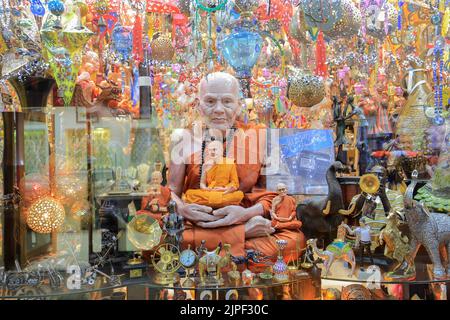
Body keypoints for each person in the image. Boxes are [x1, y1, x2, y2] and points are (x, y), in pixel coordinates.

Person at [168, 72, 305, 264]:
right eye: (210, 101)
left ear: (239, 105)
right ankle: (238, 237)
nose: (218, 109)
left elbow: (279, 193)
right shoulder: (182, 138)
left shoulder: (261, 136)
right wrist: (182, 209)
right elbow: (171, 192)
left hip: (242, 217)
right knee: (155, 236)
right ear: (198, 105)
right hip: (198, 221)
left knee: (293, 241)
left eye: (227, 101)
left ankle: (214, 246)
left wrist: (246, 214)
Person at [184, 140, 244, 208]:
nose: (212, 152)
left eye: (214, 149)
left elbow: (235, 183)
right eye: (210, 150)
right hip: (209, 192)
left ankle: (206, 204)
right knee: (190, 193)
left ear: (221, 150)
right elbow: (202, 184)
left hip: (224, 192)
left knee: (239, 195)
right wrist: (206, 189)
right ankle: (220, 203)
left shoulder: (229, 162)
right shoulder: (206, 165)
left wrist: (224, 189)